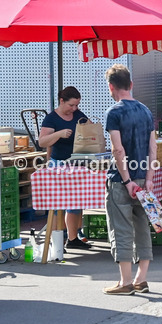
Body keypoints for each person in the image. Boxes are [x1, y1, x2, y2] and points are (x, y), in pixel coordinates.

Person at [102, 65, 157, 295]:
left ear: (111, 87)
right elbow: (153, 148)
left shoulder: (113, 112)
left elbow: (118, 150)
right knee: (142, 226)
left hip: (121, 180)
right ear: (131, 85)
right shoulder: (145, 111)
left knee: (121, 228)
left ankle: (125, 282)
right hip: (144, 177)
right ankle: (140, 279)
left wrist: (126, 181)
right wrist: (149, 179)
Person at [38, 86, 91, 250]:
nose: (74, 109)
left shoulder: (78, 115)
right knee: (57, 205)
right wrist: (58, 134)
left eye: (76, 105)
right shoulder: (51, 119)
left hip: (77, 164)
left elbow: (90, 129)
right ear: (62, 101)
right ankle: (56, 241)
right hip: (59, 164)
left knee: (75, 203)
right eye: (71, 105)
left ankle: (73, 237)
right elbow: (42, 142)